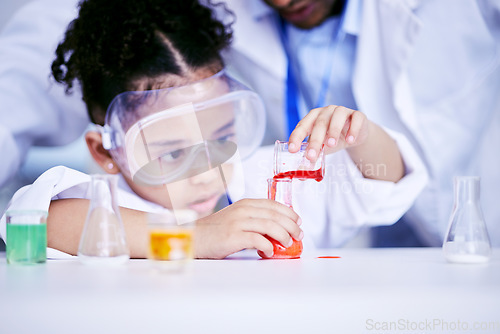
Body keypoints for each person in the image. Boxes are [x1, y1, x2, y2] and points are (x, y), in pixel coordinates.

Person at [0, 0, 426, 258]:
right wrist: (196, 236)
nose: (207, 170)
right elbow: (38, 223)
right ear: (107, 153)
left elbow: (383, 182)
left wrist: (363, 136)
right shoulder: (107, 205)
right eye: (170, 153)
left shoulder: (265, 186)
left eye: (222, 138)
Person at [214, 0, 500, 246]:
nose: (282, 2)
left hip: (477, 194)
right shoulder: (223, 12)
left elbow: (395, 170)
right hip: (370, 223)